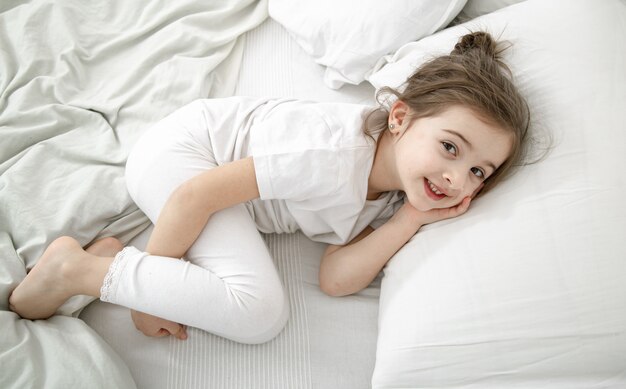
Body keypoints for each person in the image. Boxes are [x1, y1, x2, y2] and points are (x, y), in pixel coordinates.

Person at [8, 31, 530, 344]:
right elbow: (197, 195)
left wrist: (411, 219)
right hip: (185, 158)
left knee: (257, 312)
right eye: (451, 148)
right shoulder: (332, 156)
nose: (457, 179)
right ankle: (77, 269)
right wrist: (150, 298)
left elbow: (335, 279)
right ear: (400, 118)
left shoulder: (396, 191)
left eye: (479, 172)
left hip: (211, 186)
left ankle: (105, 256)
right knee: (259, 314)